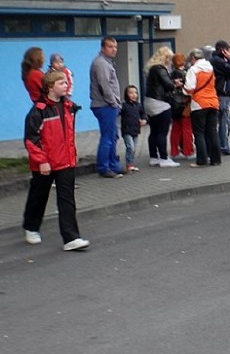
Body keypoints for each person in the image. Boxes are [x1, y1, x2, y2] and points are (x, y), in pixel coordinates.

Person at [22, 69, 90, 251]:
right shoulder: (39, 111)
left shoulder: (69, 106)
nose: (66, 85)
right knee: (39, 196)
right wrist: (41, 160)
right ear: (50, 87)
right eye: (62, 83)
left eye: (66, 83)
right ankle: (31, 226)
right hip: (45, 163)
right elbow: (31, 139)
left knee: (67, 199)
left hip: (65, 161)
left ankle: (71, 238)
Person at [89, 36, 123, 178]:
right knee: (108, 137)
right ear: (103, 48)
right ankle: (104, 168)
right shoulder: (101, 63)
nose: (114, 49)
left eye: (115, 47)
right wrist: (114, 103)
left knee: (113, 136)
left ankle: (114, 166)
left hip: (107, 105)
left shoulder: (106, 62)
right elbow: (105, 86)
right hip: (104, 105)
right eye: (110, 47)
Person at [143, 46, 180, 168]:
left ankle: (153, 157)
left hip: (149, 102)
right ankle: (164, 158)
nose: (170, 61)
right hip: (160, 103)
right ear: (165, 58)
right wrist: (176, 84)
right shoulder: (160, 68)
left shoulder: (151, 69)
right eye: (169, 58)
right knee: (162, 132)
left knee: (153, 131)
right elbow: (168, 85)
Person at [183, 48, 221, 167]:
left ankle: (202, 160)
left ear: (193, 58)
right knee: (212, 131)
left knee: (199, 133)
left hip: (199, 103)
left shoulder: (193, 70)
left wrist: (182, 88)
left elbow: (189, 88)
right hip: (213, 102)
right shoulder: (210, 68)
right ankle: (216, 159)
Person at [211, 40, 230, 156]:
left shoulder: (216, 61)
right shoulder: (218, 61)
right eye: (227, 49)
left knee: (223, 121)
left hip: (221, 93)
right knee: (224, 121)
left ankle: (221, 145)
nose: (229, 52)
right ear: (222, 50)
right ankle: (223, 146)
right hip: (223, 93)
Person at [169, 52, 194, 159]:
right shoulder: (184, 73)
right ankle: (188, 151)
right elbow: (189, 87)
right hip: (184, 103)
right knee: (187, 128)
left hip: (174, 104)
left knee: (175, 128)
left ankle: (174, 151)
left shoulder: (171, 73)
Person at [120, 85, 147, 172]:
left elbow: (144, 114)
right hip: (126, 130)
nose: (133, 95)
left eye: (135, 93)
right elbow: (118, 113)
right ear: (126, 94)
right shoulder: (124, 106)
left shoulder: (138, 105)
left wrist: (144, 120)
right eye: (130, 93)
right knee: (130, 147)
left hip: (135, 130)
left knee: (134, 148)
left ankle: (131, 163)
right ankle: (129, 165)